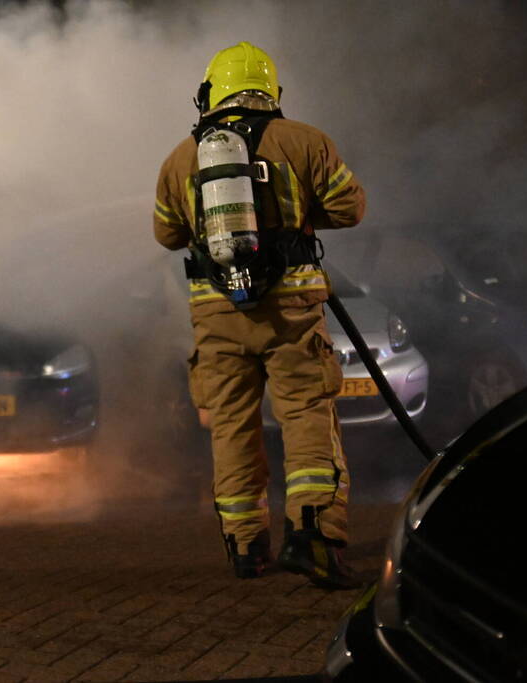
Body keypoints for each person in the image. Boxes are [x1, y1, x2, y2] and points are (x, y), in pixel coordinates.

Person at [153, 42, 366, 588]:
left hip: (215, 314)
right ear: (271, 91)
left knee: (231, 427)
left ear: (210, 93)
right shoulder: (304, 141)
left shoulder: (181, 157)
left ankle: (246, 548)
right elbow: (350, 208)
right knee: (305, 415)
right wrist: (293, 219)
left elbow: (166, 233)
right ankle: (313, 541)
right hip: (290, 310)